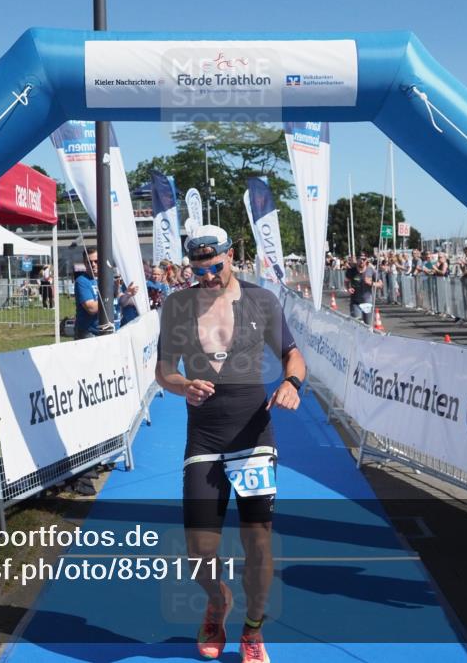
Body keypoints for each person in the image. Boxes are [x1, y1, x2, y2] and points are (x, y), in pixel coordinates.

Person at [155, 225, 306, 663]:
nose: (206, 277)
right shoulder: (178, 305)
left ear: (231, 255)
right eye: (197, 270)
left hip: (253, 434)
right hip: (204, 436)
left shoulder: (262, 300)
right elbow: (163, 370)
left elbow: (292, 356)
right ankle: (219, 600)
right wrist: (183, 385)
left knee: (258, 540)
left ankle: (253, 631)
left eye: (215, 267)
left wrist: (292, 383)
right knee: (199, 551)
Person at [74, 249, 101, 339]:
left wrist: (128, 294)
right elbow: (91, 308)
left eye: (96, 261)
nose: (93, 264)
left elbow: (120, 299)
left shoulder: (107, 279)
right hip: (88, 333)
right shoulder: (81, 281)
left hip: (107, 330)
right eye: (89, 262)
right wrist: (108, 296)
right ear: (85, 263)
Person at [344, 254, 378, 324]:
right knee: (356, 323)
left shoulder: (371, 271)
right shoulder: (351, 271)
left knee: (368, 324)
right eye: (360, 259)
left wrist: (371, 283)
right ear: (357, 260)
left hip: (367, 301)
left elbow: (380, 284)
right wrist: (348, 288)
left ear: (366, 261)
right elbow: (346, 281)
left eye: (364, 259)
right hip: (355, 302)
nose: (362, 261)